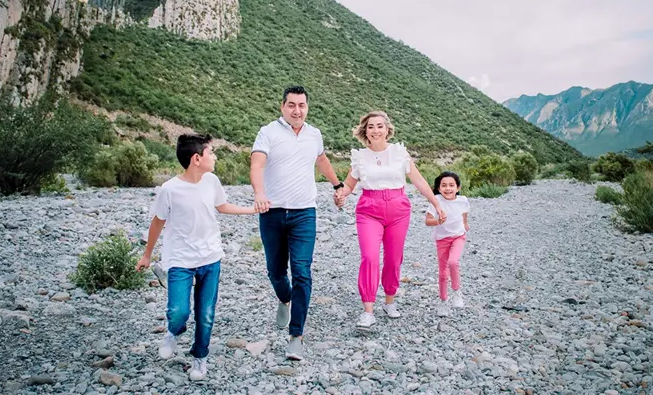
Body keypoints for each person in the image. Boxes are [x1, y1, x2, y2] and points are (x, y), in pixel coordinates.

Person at [136, 134, 260, 382]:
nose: (215, 157)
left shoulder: (212, 181)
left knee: (206, 314)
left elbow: (222, 206)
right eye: (211, 152)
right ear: (196, 158)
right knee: (179, 311)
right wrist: (147, 255)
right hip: (180, 260)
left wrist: (252, 210)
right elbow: (157, 222)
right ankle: (174, 331)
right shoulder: (169, 189)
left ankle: (200, 357)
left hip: (211, 258)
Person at [250, 86, 343, 361]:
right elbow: (257, 164)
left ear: (307, 107)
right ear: (282, 106)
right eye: (291, 105)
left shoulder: (314, 134)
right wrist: (259, 192)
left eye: (301, 105)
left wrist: (337, 184)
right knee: (276, 271)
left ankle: (296, 335)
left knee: (302, 271)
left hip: (305, 213)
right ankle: (284, 298)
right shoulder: (268, 132)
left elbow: (321, 159)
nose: (297, 110)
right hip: (272, 212)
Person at [334, 111, 445, 331]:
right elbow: (348, 185)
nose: (375, 130)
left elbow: (419, 181)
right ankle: (368, 311)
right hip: (369, 211)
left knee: (394, 259)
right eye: (371, 126)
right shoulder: (360, 157)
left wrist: (436, 204)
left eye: (379, 126)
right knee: (369, 257)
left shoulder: (399, 153)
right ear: (365, 131)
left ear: (387, 129)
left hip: (398, 211)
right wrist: (340, 194)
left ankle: (389, 301)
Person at [425, 171, 470, 316]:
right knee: (443, 273)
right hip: (442, 240)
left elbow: (464, 212)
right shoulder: (436, 201)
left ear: (458, 187)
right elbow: (427, 221)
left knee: (453, 262)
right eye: (444, 185)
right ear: (439, 188)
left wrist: (465, 223)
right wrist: (438, 221)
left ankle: (457, 292)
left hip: (458, 236)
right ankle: (443, 301)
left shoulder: (463, 200)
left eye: (451, 185)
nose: (448, 188)